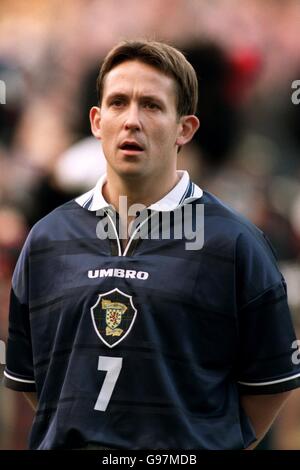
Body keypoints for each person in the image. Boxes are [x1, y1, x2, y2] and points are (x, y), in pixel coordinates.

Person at [3, 39, 300, 450]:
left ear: (185, 128)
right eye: (118, 103)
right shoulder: (47, 239)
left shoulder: (234, 243)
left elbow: (268, 385)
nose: (131, 120)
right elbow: (37, 383)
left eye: (152, 106)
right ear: (96, 120)